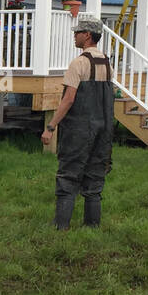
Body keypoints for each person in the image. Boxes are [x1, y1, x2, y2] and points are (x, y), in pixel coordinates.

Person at [41, 15, 115, 229]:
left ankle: (61, 226)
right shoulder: (108, 65)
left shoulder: (78, 63)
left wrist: (51, 126)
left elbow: (69, 98)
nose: (74, 36)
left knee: (68, 177)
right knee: (94, 178)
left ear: (88, 36)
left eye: (78, 33)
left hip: (79, 130)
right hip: (104, 130)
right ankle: (92, 227)